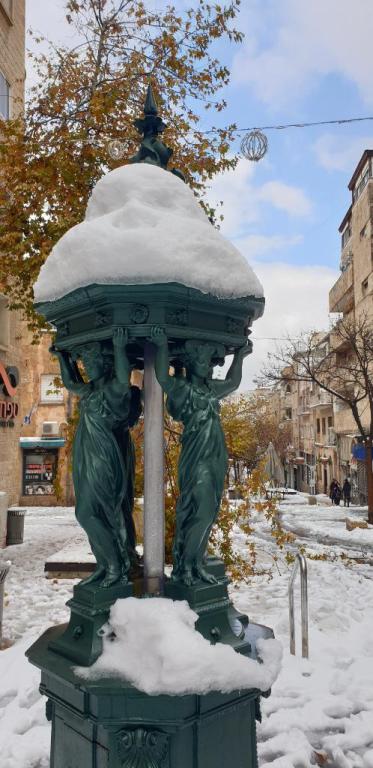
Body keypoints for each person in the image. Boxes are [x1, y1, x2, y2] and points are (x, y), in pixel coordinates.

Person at [151, 326, 250, 587]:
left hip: (215, 455)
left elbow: (232, 383)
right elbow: (162, 376)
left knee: (210, 510)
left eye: (209, 361)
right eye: (201, 360)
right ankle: (186, 566)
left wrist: (240, 357)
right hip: (197, 458)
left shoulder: (209, 390)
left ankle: (194, 564)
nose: (207, 365)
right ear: (192, 363)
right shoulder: (184, 389)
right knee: (201, 510)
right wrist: (161, 345)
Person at [51, 328, 141, 589]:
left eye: (94, 362)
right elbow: (71, 383)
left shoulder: (114, 390)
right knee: (93, 511)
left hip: (101, 455)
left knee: (91, 511)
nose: (90, 367)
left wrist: (120, 347)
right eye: (87, 363)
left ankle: (115, 566)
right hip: (86, 454)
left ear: (106, 363)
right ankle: (106, 565)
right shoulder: (90, 390)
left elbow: (124, 378)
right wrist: (62, 358)